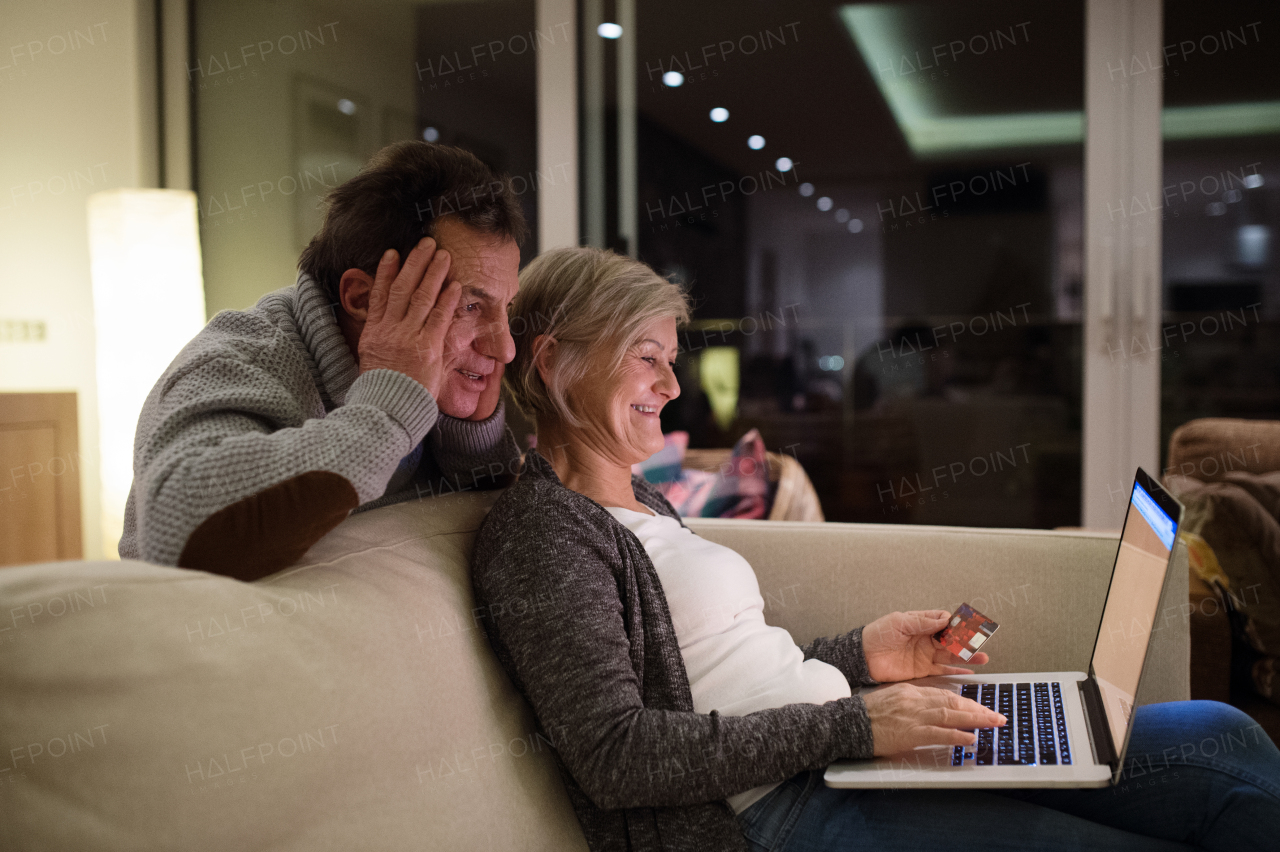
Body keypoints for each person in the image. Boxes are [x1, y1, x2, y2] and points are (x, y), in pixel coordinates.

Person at [471, 245, 1280, 852]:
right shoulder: (542, 532)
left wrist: (861, 655)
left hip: (840, 753)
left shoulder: (639, 500)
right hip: (779, 812)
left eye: (670, 360)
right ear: (556, 363)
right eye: (648, 359)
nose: (674, 388)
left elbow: (728, 669)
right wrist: (854, 726)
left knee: (1223, 730)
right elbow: (619, 756)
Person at [120, 141, 525, 580]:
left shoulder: (444, 380)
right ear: (363, 298)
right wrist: (386, 412)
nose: (505, 348)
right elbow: (174, 536)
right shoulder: (237, 358)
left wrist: (470, 439)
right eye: (469, 307)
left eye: (505, 308)